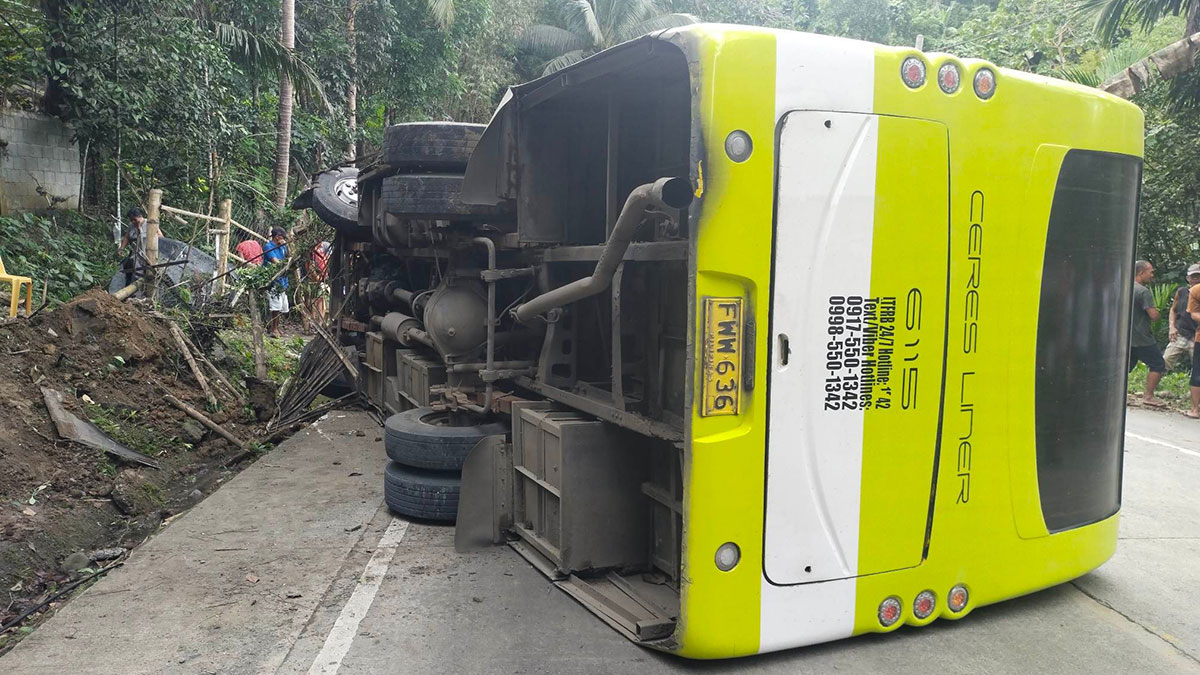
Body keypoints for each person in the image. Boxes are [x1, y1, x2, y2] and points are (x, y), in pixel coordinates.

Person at [1130, 260, 1166, 407]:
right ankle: (1149, 396)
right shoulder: (1142, 291)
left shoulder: (1124, 287)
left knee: (1126, 365)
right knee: (1158, 364)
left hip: (1126, 337)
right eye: (1150, 272)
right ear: (1141, 273)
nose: (1152, 275)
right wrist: (1158, 313)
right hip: (1142, 337)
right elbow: (1153, 315)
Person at [1166, 264, 1200, 370]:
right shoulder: (1181, 292)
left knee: (1197, 368)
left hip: (1196, 335)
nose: (1196, 279)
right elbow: (1173, 310)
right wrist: (1172, 326)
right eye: (1193, 276)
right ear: (1187, 278)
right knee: (1164, 361)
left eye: (1198, 276)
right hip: (1181, 334)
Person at [262, 227, 289, 338]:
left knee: (283, 306)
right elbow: (275, 261)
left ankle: (277, 327)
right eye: (281, 237)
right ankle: (273, 329)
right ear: (277, 237)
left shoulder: (281, 247)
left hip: (282, 280)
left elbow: (288, 257)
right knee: (275, 306)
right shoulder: (268, 246)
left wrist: (286, 246)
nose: (282, 240)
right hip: (273, 280)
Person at [118, 207, 148, 287]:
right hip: (135, 253)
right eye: (131, 220)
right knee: (126, 265)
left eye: (135, 219)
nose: (133, 222)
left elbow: (161, 238)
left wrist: (139, 229)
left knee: (138, 268)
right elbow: (127, 237)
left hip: (146, 254)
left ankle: (139, 287)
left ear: (140, 216)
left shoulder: (149, 224)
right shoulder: (131, 225)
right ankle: (127, 286)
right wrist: (122, 248)